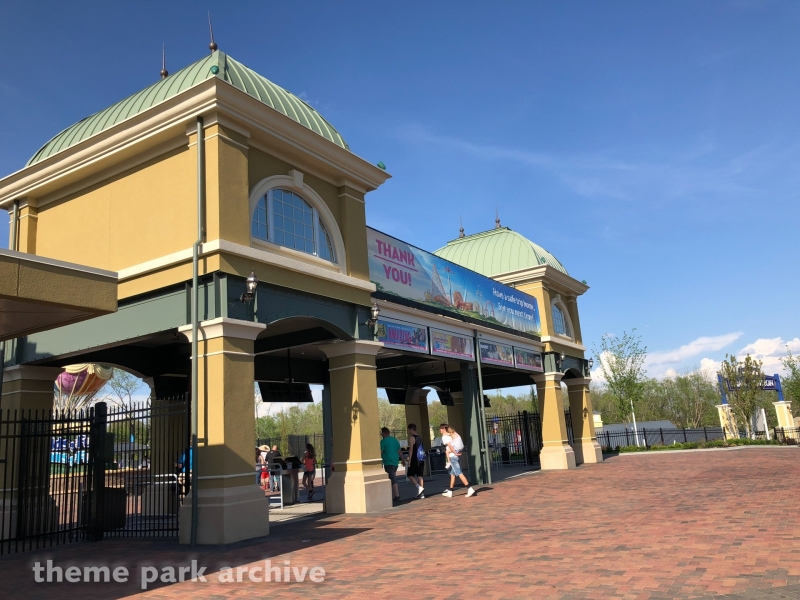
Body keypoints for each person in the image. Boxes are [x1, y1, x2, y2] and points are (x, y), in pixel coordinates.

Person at [439, 424, 475, 498]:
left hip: (453, 457)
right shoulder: (452, 434)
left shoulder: (444, 437)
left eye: (441, 429)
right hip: (455, 456)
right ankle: (450, 491)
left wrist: (454, 452)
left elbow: (450, 446)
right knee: (452, 474)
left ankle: (469, 488)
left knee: (459, 473)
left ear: (444, 429)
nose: (440, 430)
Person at [380, 427, 402, 501]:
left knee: (392, 478)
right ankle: (392, 494)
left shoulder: (383, 441)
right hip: (395, 461)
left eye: (381, 433)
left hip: (388, 461)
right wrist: (402, 460)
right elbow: (399, 450)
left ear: (384, 433)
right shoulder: (395, 440)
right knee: (392, 477)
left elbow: (381, 451)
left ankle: (397, 495)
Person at [405, 423, 425, 499]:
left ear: (412, 429)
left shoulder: (412, 438)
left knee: (410, 474)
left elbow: (411, 450)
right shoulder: (420, 437)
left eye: (410, 430)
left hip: (414, 459)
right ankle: (422, 494)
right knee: (420, 475)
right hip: (421, 458)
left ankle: (419, 488)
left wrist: (409, 461)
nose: (409, 432)